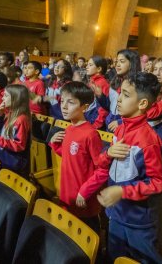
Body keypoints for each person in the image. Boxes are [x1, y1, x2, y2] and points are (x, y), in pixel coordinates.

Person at [78, 72, 162, 263]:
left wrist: (122, 191)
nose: (118, 99)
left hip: (137, 221)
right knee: (114, 258)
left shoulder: (147, 140)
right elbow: (105, 164)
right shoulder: (120, 129)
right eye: (120, 93)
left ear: (142, 104)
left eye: (126, 95)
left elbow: (157, 183)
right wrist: (108, 154)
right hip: (116, 214)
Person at [49, 81, 102, 231]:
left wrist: (84, 191)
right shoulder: (70, 128)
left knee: (87, 237)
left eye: (70, 102)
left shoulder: (91, 134)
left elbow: (101, 170)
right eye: (63, 101)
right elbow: (72, 157)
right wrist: (55, 145)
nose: (64, 106)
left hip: (83, 200)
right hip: (67, 195)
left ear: (84, 107)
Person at [0, 84, 31, 176]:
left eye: (5, 96)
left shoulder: (21, 119)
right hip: (5, 157)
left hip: (14, 162)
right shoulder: (8, 114)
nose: (2, 98)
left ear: (16, 99)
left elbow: (19, 145)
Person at [85, 55, 110, 129]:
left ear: (99, 69)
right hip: (88, 118)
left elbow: (103, 108)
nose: (87, 67)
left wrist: (96, 124)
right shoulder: (92, 82)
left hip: (94, 122)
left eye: (90, 65)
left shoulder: (102, 83)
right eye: (87, 64)